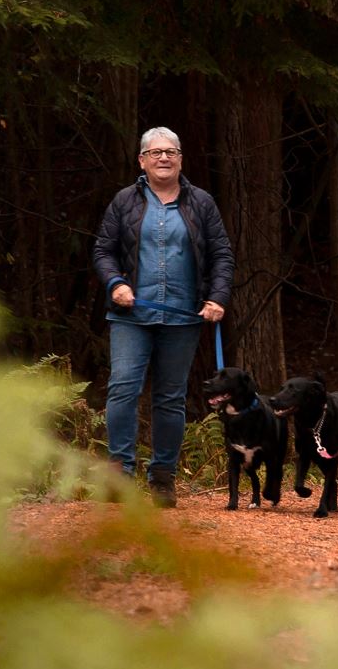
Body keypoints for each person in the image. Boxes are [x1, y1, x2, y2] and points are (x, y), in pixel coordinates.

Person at [93, 127, 234, 507]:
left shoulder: (201, 202)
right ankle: (119, 473)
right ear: (141, 160)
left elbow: (221, 254)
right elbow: (103, 250)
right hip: (130, 315)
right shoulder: (124, 201)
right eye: (155, 153)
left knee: (170, 398)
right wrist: (115, 283)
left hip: (183, 317)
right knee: (123, 388)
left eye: (171, 151)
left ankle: (162, 479)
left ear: (181, 159)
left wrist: (218, 297)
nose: (163, 158)